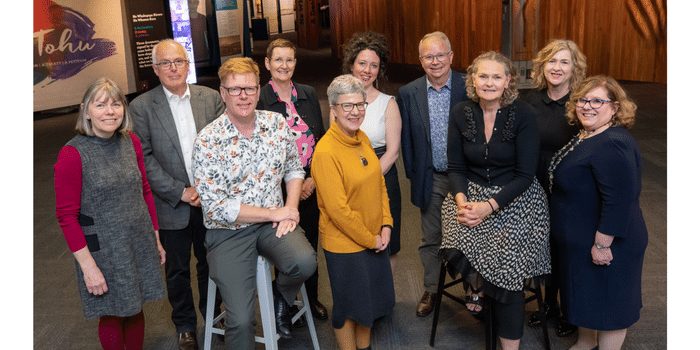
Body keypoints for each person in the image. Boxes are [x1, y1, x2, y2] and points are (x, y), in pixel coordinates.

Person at [191, 57, 317, 350]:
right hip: (228, 233)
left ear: (259, 90)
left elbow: (294, 168)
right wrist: (276, 211)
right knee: (242, 320)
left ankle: (278, 296)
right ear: (223, 93)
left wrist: (292, 209)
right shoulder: (208, 140)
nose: (243, 95)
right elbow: (217, 208)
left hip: (273, 224)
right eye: (235, 90)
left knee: (304, 262)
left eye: (249, 88)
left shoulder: (276, 123)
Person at [440, 51, 550, 350]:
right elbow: (457, 167)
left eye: (496, 76)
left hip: (517, 198)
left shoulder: (523, 114)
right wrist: (463, 203)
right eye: (483, 75)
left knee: (506, 258)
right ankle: (475, 282)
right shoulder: (461, 112)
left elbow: (525, 175)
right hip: (470, 193)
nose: (489, 82)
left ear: (508, 81)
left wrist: (487, 208)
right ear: (472, 79)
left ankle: (508, 343)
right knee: (455, 230)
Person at [54, 77, 167, 349]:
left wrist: (156, 238)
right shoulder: (72, 153)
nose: (110, 111)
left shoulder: (132, 142)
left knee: (136, 305)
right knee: (113, 311)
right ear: (86, 110)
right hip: (101, 250)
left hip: (137, 241)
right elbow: (66, 216)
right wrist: (88, 266)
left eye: (116, 104)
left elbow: (144, 191)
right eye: (101, 104)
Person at [130, 39, 224, 350]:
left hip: (212, 202)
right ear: (155, 69)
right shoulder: (141, 107)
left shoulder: (211, 99)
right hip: (171, 204)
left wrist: (207, 189)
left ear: (188, 65)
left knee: (213, 264)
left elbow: (226, 148)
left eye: (179, 61)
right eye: (166, 63)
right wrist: (180, 192)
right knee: (178, 271)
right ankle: (185, 326)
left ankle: (214, 316)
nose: (174, 68)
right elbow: (143, 158)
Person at [548, 75, 647, 350]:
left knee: (610, 306)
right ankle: (586, 341)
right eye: (582, 100)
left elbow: (620, 201)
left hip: (610, 245)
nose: (587, 106)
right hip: (583, 241)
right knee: (588, 297)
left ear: (615, 108)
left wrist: (602, 244)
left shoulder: (612, 143)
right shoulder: (588, 134)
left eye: (598, 101)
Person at [311, 74, 394, 350]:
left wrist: (385, 225)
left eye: (360, 104)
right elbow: (338, 211)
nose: (355, 111)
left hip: (374, 237)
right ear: (332, 109)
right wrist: (371, 240)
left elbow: (378, 182)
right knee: (348, 308)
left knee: (368, 305)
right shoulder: (326, 151)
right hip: (346, 245)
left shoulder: (362, 139)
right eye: (347, 106)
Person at [256, 38, 328, 321]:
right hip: (277, 193)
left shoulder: (308, 93)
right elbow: (260, 152)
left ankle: (312, 301)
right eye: (278, 60)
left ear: (295, 63)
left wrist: (312, 180)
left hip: (310, 186)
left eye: (289, 60)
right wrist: (289, 190)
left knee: (310, 244)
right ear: (267, 64)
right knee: (285, 247)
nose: (284, 65)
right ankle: (285, 304)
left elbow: (319, 140)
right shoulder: (260, 98)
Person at [397, 31, 467, 317]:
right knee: (430, 237)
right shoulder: (408, 92)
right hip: (432, 177)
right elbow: (407, 142)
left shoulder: (469, 86)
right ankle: (431, 289)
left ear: (451, 56)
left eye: (441, 55)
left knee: (471, 235)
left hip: (467, 178)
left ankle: (474, 290)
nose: (435, 61)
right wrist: (415, 174)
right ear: (420, 60)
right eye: (429, 56)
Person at [523, 38, 587, 337]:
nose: (557, 67)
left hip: (568, 187)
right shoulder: (530, 101)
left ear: (574, 67)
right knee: (543, 247)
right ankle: (547, 304)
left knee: (566, 250)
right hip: (535, 184)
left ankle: (569, 309)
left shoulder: (581, 103)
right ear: (542, 65)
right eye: (551, 61)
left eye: (564, 61)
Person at [338, 31, 402, 273]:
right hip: (348, 178)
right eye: (362, 63)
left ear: (379, 69)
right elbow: (333, 142)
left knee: (387, 242)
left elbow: (393, 151)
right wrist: (352, 179)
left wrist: (369, 177)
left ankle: (385, 301)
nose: (367, 70)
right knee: (354, 240)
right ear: (352, 65)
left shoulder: (389, 103)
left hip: (382, 175)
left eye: (374, 65)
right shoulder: (337, 100)